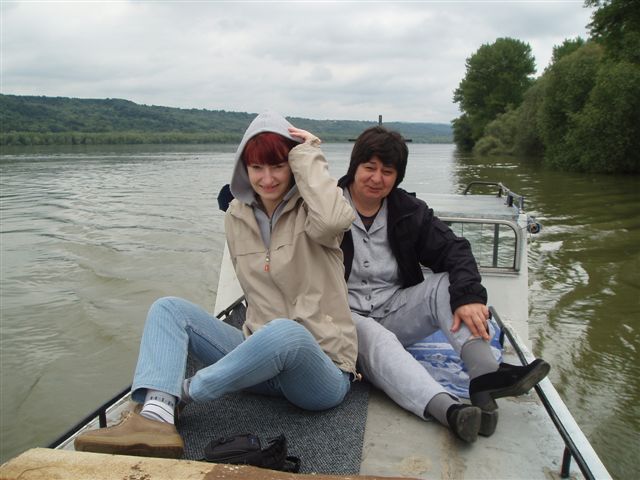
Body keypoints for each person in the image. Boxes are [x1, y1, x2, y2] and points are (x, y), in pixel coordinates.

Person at [75, 112, 358, 458]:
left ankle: (180, 394)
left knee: (287, 333)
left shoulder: (313, 212)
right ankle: (156, 420)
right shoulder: (237, 215)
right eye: (256, 168)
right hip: (259, 362)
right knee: (168, 309)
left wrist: (308, 152)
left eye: (278, 166)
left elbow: (334, 220)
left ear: (293, 166)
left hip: (320, 371)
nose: (267, 179)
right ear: (243, 169)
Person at [338, 126, 550, 443]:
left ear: (397, 177)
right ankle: (449, 411)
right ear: (354, 167)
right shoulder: (325, 204)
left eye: (388, 171)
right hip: (342, 319)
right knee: (375, 338)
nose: (377, 178)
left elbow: (455, 250)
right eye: (369, 167)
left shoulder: (408, 211)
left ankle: (484, 377)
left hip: (394, 310)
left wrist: (469, 297)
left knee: (446, 284)